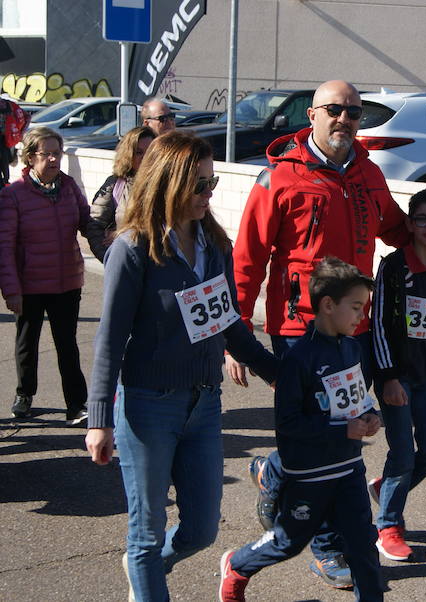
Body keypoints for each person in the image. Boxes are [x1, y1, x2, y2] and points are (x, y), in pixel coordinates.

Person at [229, 79, 426, 588]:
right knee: (325, 435)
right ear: (312, 115)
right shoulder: (279, 179)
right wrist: (237, 334)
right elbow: (247, 259)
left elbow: (401, 232)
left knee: (341, 436)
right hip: (297, 331)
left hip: (353, 332)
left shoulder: (367, 173)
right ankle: (327, 546)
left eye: (354, 113)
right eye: (334, 110)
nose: (344, 120)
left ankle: (275, 470)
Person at [84, 131, 278, 601]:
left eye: (211, 185)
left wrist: (278, 372)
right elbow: (109, 338)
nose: (206, 195)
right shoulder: (133, 248)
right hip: (149, 406)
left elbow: (230, 323)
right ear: (166, 183)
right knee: (146, 532)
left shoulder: (214, 244)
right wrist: (98, 420)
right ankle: (146, 572)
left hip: (204, 404)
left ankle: (142, 570)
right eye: (198, 186)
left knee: (201, 530)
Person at [218, 257, 383, 602]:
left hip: (349, 468)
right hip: (308, 474)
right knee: (288, 542)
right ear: (327, 305)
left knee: (364, 546)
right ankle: (237, 565)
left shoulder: (352, 348)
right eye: (355, 307)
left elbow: (355, 400)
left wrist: (370, 415)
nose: (360, 316)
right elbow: (288, 424)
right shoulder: (299, 360)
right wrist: (343, 431)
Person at [367, 189, 426, 561]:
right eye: (421, 219)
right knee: (403, 454)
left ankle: (385, 487)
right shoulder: (394, 266)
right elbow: (379, 325)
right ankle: (388, 524)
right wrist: (388, 376)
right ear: (409, 223)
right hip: (397, 376)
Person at [0, 126, 90, 424]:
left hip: (66, 281)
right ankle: (25, 395)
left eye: (57, 153)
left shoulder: (69, 186)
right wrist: (11, 289)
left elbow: (87, 222)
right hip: (30, 284)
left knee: (67, 345)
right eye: (46, 154)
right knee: (28, 343)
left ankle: (76, 405)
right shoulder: (13, 195)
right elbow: (5, 246)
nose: (53, 159)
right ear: (29, 157)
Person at [85, 125, 156, 262]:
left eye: (150, 152)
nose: (145, 158)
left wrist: (124, 234)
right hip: (127, 264)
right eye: (139, 152)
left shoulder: (168, 184)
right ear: (128, 154)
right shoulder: (115, 184)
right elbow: (95, 226)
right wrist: (112, 259)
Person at [0, 96, 29, 187]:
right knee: (4, 163)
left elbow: (26, 117)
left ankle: (4, 182)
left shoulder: (9, 105)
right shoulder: (9, 104)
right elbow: (27, 117)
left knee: (5, 162)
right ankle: (4, 181)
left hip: (5, 140)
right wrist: (19, 133)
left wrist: (20, 133)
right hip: (7, 139)